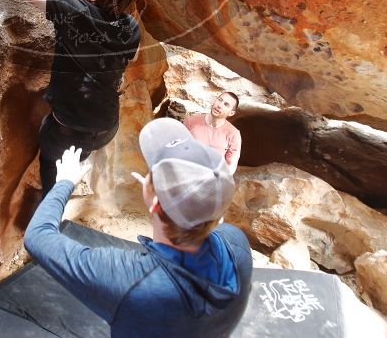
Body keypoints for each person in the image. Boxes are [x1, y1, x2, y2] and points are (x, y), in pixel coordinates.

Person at [24, 118, 253, 338]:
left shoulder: (130, 281)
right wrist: (167, 200)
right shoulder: (236, 244)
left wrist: (65, 181)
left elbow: (38, 235)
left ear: (154, 201)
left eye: (153, 174)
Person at [6, 0, 141, 197]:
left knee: (52, 174)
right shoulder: (131, 26)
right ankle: (72, 179)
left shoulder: (72, 9)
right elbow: (127, 60)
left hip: (67, 128)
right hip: (105, 125)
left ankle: (50, 218)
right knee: (78, 158)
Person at [184, 92, 242, 174]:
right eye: (220, 100)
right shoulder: (190, 121)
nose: (219, 105)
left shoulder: (234, 134)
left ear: (231, 113)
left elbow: (231, 165)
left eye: (226, 104)